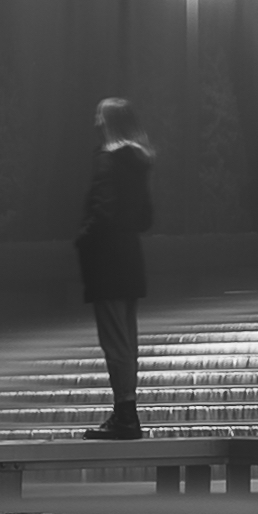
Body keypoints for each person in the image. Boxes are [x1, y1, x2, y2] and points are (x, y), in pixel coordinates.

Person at [75, 96, 154, 440]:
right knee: (128, 342)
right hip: (131, 260)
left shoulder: (108, 162)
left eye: (98, 116)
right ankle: (127, 410)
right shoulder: (139, 163)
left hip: (107, 261)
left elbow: (102, 212)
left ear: (108, 123)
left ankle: (125, 415)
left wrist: (84, 239)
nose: (94, 122)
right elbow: (146, 216)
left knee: (114, 342)